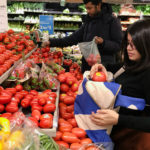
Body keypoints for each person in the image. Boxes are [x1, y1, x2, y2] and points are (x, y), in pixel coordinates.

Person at [90, 19, 150, 150]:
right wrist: (102, 67)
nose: (128, 48)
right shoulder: (132, 64)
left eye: (134, 44)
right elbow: (115, 68)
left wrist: (118, 119)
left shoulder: (147, 74)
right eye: (128, 43)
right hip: (117, 136)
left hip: (133, 140)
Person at [43, 0, 122, 73]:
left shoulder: (112, 21)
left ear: (98, 5)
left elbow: (118, 45)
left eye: (89, 8)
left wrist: (103, 43)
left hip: (104, 67)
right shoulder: (89, 21)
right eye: (86, 8)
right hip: (87, 66)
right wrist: (51, 42)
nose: (87, 11)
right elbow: (73, 38)